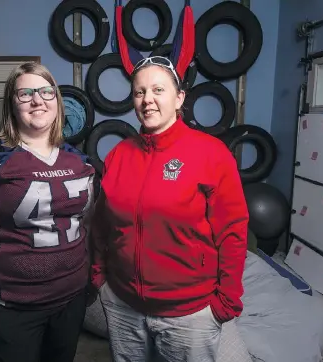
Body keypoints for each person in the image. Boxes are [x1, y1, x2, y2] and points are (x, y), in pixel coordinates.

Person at [89, 56, 249, 362]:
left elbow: (232, 231)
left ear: (179, 98)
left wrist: (225, 302)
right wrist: (100, 279)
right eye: (139, 92)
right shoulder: (119, 155)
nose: (147, 99)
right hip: (124, 305)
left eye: (158, 90)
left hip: (189, 314)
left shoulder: (211, 154)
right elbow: (100, 224)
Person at [0, 61, 95, 362]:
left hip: (70, 298)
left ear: (57, 100)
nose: (37, 100)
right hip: (13, 305)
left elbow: (85, 228)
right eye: (25, 93)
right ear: (11, 104)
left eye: (45, 92)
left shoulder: (80, 161)